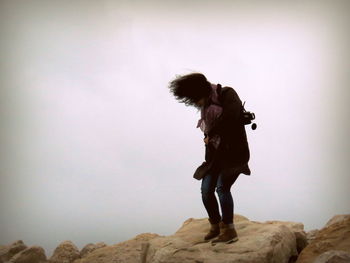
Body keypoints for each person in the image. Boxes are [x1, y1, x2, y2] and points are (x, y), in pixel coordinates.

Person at [168, 72, 251, 244]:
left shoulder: (227, 94)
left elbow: (230, 118)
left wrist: (211, 133)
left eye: (195, 98)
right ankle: (215, 226)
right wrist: (208, 139)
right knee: (206, 190)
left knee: (222, 187)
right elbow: (209, 131)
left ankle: (229, 230)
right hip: (215, 156)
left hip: (234, 152)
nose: (196, 103)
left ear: (202, 91)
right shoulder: (205, 108)